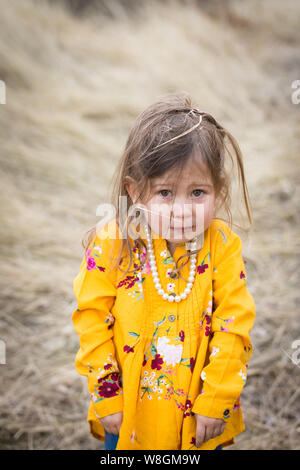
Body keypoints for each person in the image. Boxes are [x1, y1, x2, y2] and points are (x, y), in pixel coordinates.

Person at [72, 91, 256, 450]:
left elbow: (234, 323)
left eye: (198, 192)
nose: (182, 209)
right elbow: (91, 319)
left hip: (199, 418)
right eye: (166, 193)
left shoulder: (222, 245)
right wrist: (106, 393)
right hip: (130, 416)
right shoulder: (114, 242)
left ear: (218, 190)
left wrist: (215, 399)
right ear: (135, 191)